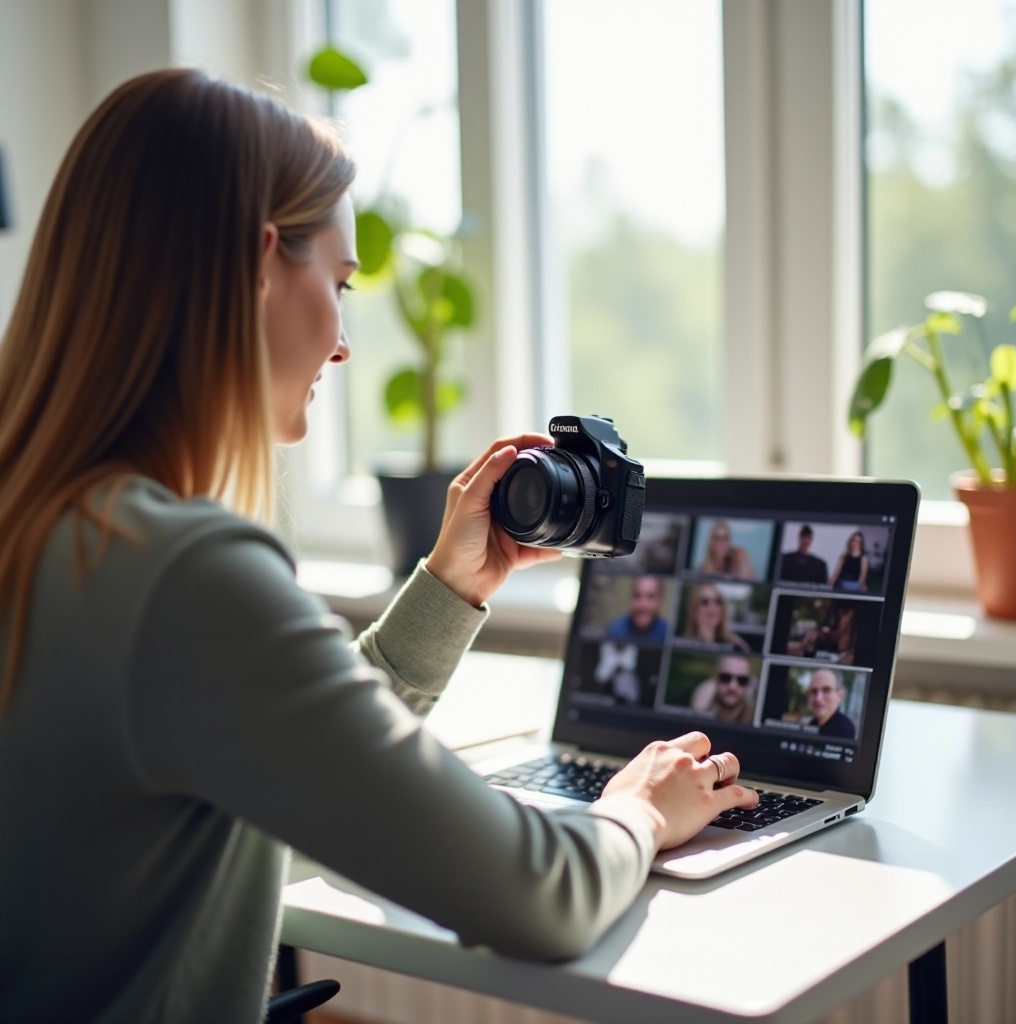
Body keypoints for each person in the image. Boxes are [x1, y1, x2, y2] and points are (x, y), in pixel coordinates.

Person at [0, 70, 761, 1023]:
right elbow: (538, 897)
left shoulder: (51, 533)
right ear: (259, 264)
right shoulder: (182, 575)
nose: (344, 343)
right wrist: (640, 809)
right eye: (341, 283)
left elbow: (270, 749)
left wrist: (449, 586)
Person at [689, 654, 757, 724]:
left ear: (749, 684)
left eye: (742, 680)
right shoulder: (702, 707)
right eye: (725, 678)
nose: (732, 686)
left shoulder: (755, 720)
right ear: (714, 679)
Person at [683, 583, 750, 651]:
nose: (712, 607)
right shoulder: (684, 645)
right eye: (705, 602)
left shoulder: (737, 646)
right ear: (694, 611)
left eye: (718, 601)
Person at [605, 575, 669, 644]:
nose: (643, 605)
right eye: (637, 596)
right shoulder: (615, 631)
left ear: (660, 600)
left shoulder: (668, 633)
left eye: (650, 597)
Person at [805, 669, 857, 738]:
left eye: (826, 690)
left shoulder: (844, 729)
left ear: (840, 695)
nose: (818, 698)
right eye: (814, 691)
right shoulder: (811, 724)